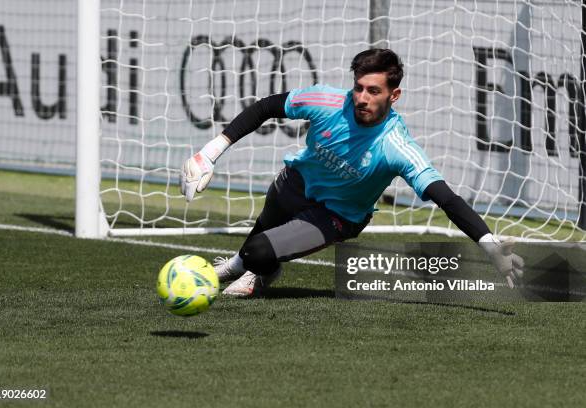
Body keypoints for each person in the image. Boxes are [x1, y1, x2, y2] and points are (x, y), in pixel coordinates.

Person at [181, 48, 524, 297]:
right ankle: (240, 266)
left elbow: (445, 198)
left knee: (259, 253)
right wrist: (210, 153)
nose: (361, 97)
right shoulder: (328, 101)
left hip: (338, 214)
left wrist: (488, 244)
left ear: (395, 95)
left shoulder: (397, 146)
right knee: (282, 190)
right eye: (358, 87)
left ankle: (256, 267)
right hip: (297, 185)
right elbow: (268, 106)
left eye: (373, 91)